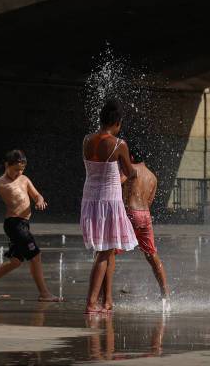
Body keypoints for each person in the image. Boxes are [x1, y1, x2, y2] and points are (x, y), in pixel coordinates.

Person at [0, 150, 61, 302]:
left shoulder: (25, 179)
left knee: (15, 261)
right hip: (14, 224)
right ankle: (44, 293)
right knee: (35, 255)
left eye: (22, 169)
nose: (19, 172)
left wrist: (40, 201)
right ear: (7, 165)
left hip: (24, 224)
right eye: (16, 169)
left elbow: (36, 195)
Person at [81, 99, 138, 314]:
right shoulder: (118, 144)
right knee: (104, 253)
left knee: (106, 249)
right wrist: (133, 171)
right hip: (109, 201)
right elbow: (130, 171)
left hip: (90, 200)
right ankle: (91, 302)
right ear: (117, 123)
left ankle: (106, 301)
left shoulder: (86, 140)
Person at [122, 144, 169, 300]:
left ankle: (103, 297)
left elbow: (114, 185)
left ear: (132, 158)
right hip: (145, 215)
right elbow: (149, 202)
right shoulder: (152, 177)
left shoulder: (130, 170)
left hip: (130, 213)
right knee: (152, 254)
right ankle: (165, 294)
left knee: (108, 252)